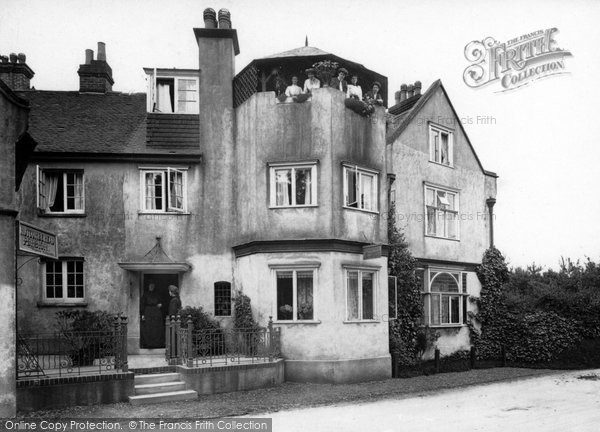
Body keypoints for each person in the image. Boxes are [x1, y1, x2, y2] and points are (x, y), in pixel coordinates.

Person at [140, 283, 164, 348]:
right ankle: (148, 344)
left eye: (153, 286)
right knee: (148, 328)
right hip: (148, 312)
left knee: (156, 329)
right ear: (148, 286)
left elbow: (162, 302)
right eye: (150, 286)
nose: (151, 287)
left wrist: (161, 304)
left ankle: (156, 344)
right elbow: (142, 304)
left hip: (156, 313)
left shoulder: (157, 294)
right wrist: (142, 314)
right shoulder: (145, 294)